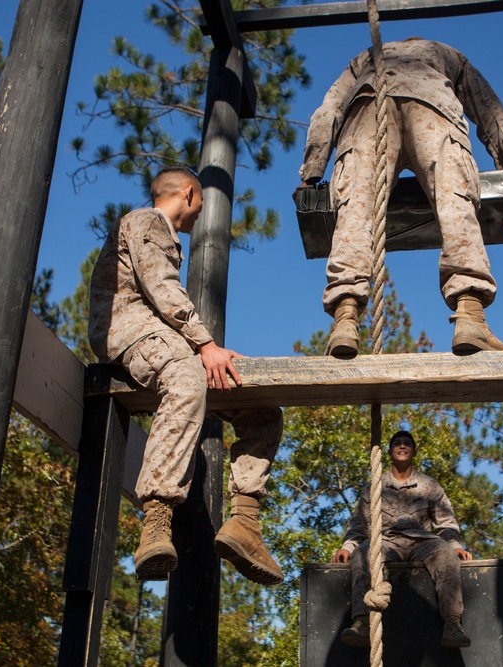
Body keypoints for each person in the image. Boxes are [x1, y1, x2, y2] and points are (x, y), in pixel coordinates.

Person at [89, 167, 284, 585]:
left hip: (165, 337)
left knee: (262, 411)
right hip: (131, 332)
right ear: (190, 193)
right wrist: (204, 344)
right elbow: (160, 287)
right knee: (184, 375)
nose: (199, 218)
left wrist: (206, 349)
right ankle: (156, 522)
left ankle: (245, 523)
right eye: (201, 206)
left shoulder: (161, 232)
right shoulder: (145, 221)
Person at [296, 37, 503, 359]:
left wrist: (312, 172)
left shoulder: (365, 56)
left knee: (355, 214)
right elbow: (491, 112)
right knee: (455, 202)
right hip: (433, 105)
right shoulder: (449, 53)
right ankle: (470, 314)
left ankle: (345, 319)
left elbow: (329, 109)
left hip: (367, 108)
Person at [331, 430, 474, 649]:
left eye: (407, 443)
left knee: (445, 553)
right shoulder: (374, 487)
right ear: (389, 451)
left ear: (414, 451)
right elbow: (360, 524)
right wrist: (347, 547)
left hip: (422, 542)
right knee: (362, 553)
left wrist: (455, 546)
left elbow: (445, 522)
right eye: (397, 443)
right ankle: (361, 622)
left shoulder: (429, 486)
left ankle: (452, 624)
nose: (402, 446)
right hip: (387, 541)